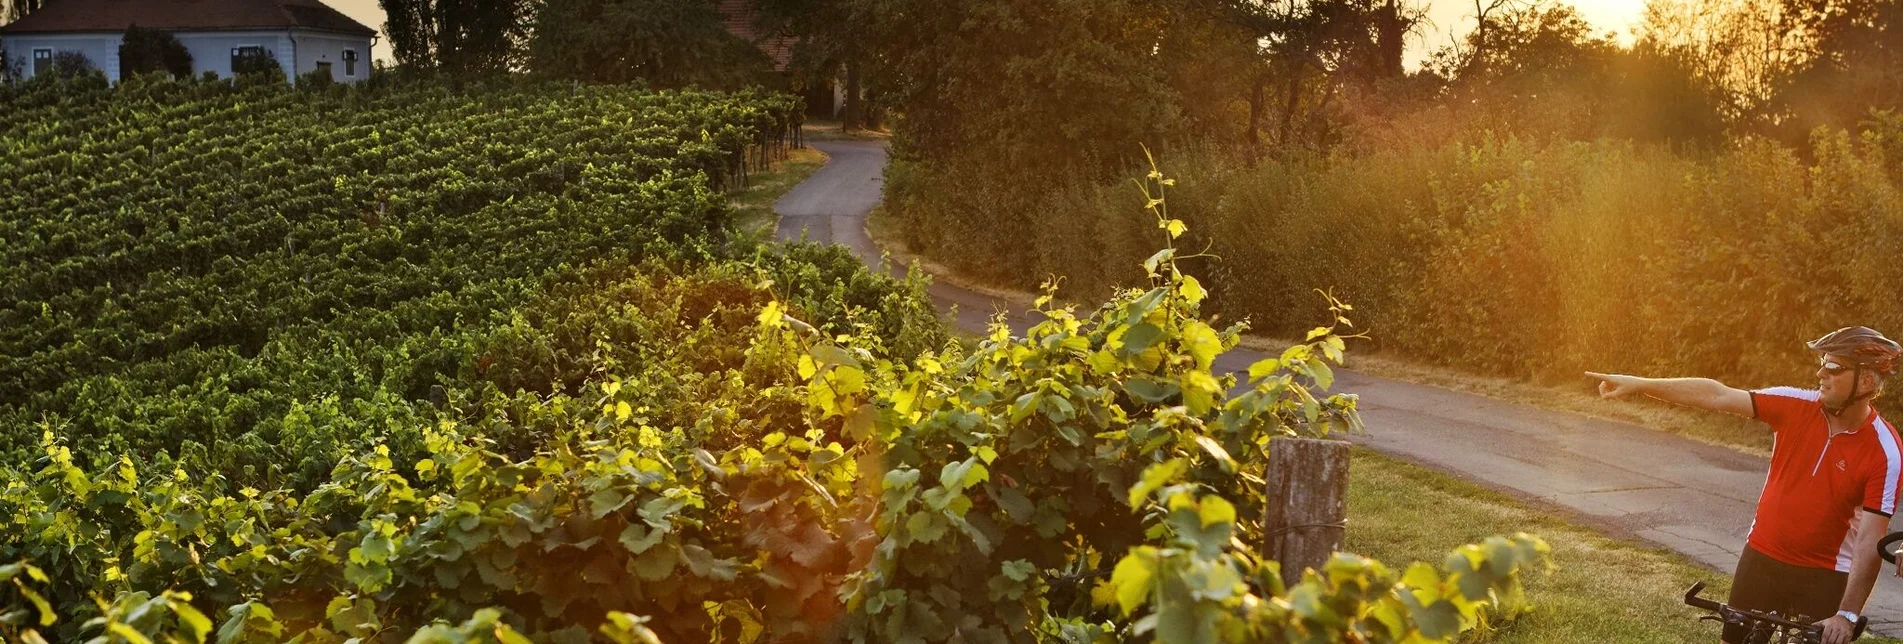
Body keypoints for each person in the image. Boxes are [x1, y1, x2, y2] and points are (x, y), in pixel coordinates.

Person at [1587, 327, 1903, 644]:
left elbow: (1869, 541)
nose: (1821, 372)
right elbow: (1718, 395)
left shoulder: (1885, 450)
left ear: (1864, 381)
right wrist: (1640, 385)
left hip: (1827, 574)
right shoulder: (1796, 405)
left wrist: (1847, 615)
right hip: (1762, 558)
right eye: (1822, 361)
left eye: (1834, 367)